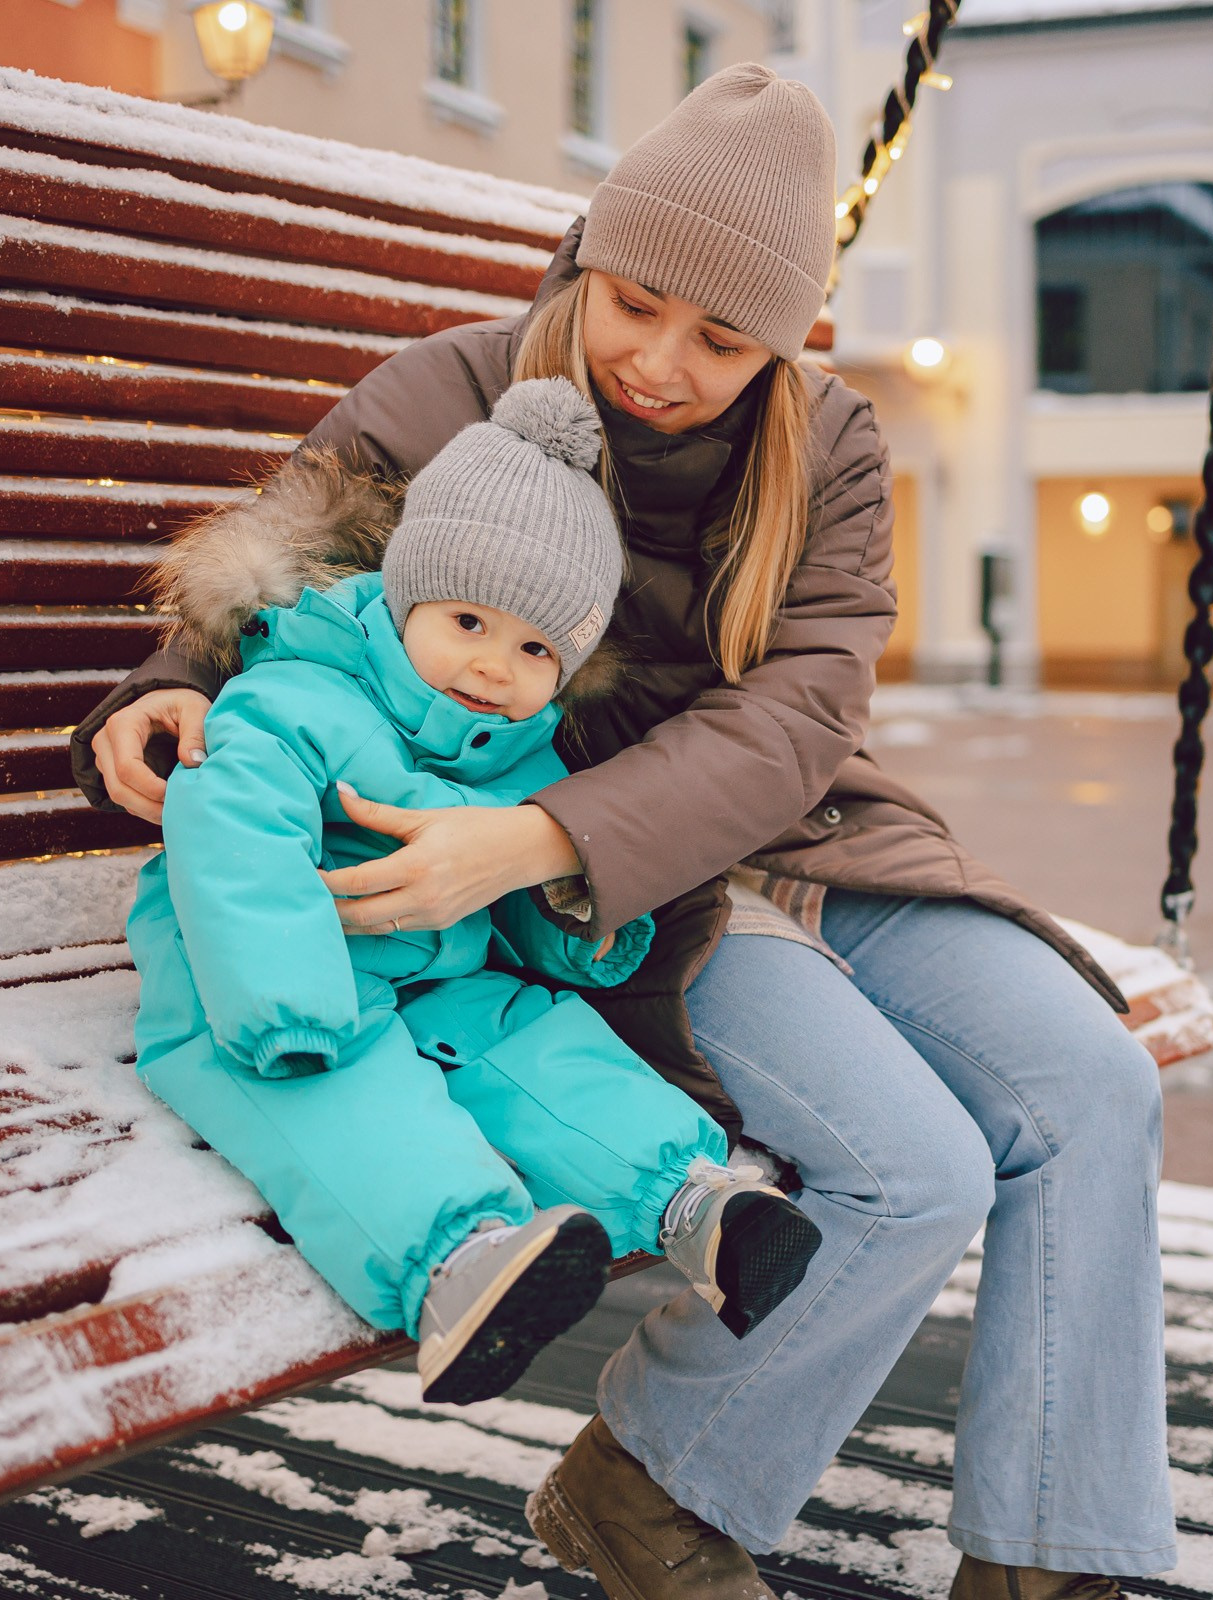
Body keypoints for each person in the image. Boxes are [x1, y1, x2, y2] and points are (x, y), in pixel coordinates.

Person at [79, 64, 1176, 1600]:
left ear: (784, 345)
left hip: (774, 837)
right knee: (911, 1167)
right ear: (589, 258)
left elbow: (802, 718)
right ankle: (656, 1485)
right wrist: (162, 690)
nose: (662, 362)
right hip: (627, 906)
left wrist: (537, 834)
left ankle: (1051, 1559)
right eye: (637, 304)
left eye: (725, 341)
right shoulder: (449, 397)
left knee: (1092, 1085)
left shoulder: (827, 450)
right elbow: (274, 576)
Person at [125, 378, 820, 1407]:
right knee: (350, 1102)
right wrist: (285, 1002)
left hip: (441, 975)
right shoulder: (298, 694)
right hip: (264, 992)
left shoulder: (524, 755)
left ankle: (686, 1194)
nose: (497, 667)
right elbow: (231, 835)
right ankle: (459, 1261)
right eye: (468, 621)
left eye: (538, 648)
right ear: (408, 593)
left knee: (538, 1044)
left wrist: (570, 927)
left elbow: (531, 910)